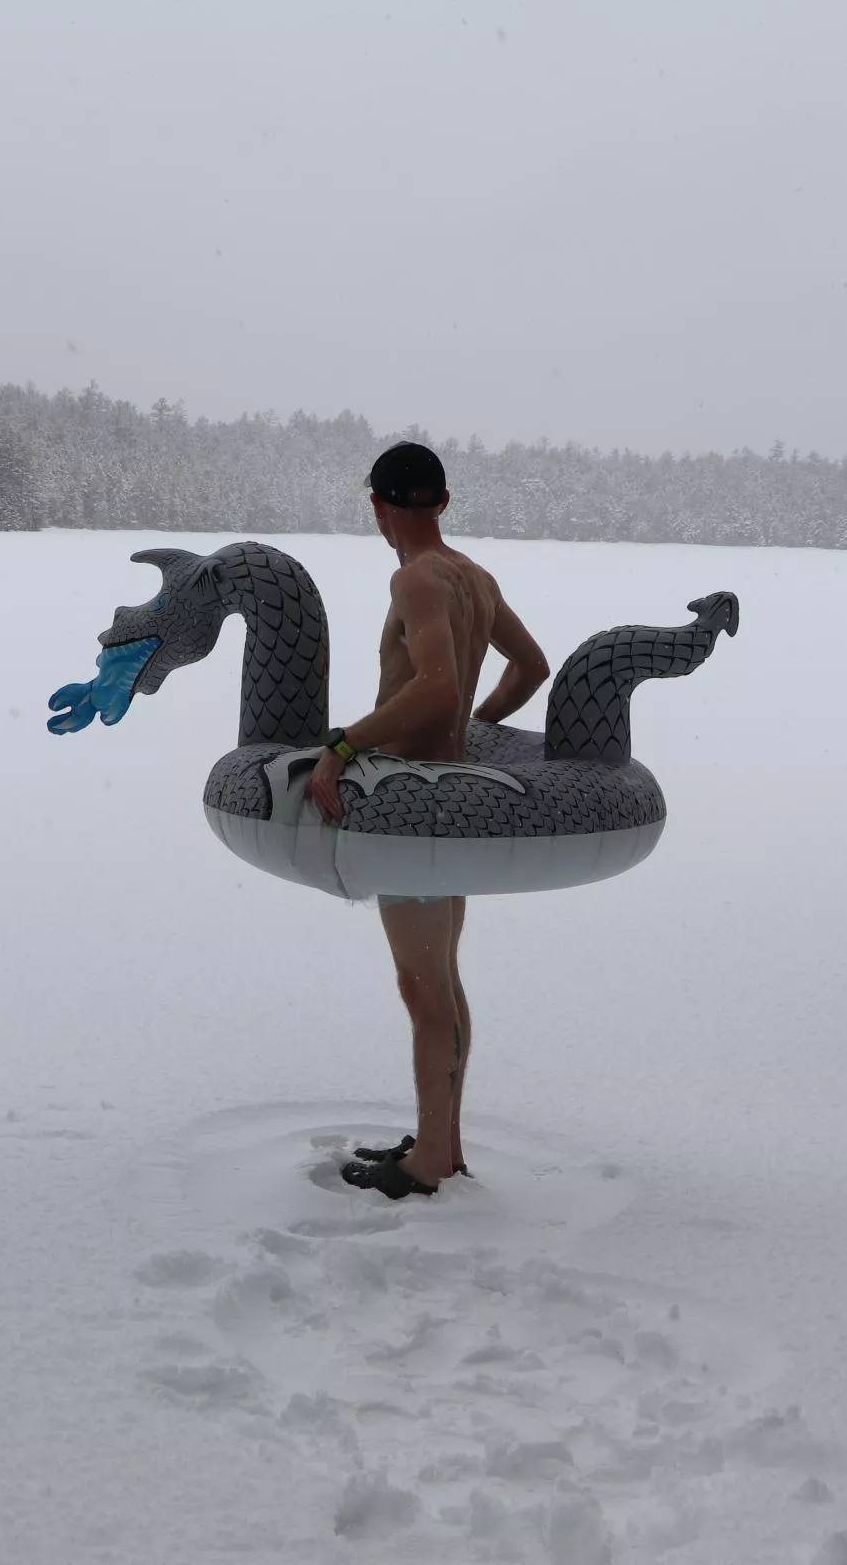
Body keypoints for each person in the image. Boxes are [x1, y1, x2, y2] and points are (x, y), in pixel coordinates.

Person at [303, 442, 552, 1200]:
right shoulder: (474, 578)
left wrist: (342, 747)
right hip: (452, 799)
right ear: (442, 502)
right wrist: (477, 730)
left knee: (423, 989)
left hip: (412, 814)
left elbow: (436, 687)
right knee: (440, 979)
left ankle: (429, 1164)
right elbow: (531, 666)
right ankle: (442, 1139)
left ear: (378, 505)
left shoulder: (415, 579)